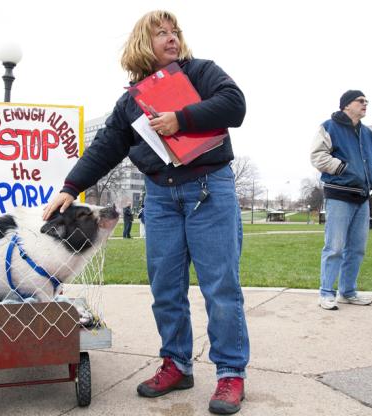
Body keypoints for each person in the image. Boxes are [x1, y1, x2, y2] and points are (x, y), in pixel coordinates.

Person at [42, 10, 248, 414]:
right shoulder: (130, 101)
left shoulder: (201, 72)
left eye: (175, 33)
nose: (172, 39)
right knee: (166, 290)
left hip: (209, 190)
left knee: (220, 289)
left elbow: (234, 105)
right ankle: (176, 365)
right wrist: (70, 186)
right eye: (161, 34)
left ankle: (230, 375)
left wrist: (181, 118)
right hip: (160, 198)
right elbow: (105, 146)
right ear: (142, 43)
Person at [310, 90, 372, 310]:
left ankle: (347, 292)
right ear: (346, 105)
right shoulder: (329, 127)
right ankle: (326, 293)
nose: (365, 104)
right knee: (335, 247)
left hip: (362, 197)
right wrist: (343, 169)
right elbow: (317, 156)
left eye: (366, 101)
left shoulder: (369, 134)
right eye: (361, 101)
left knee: (357, 248)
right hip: (339, 194)